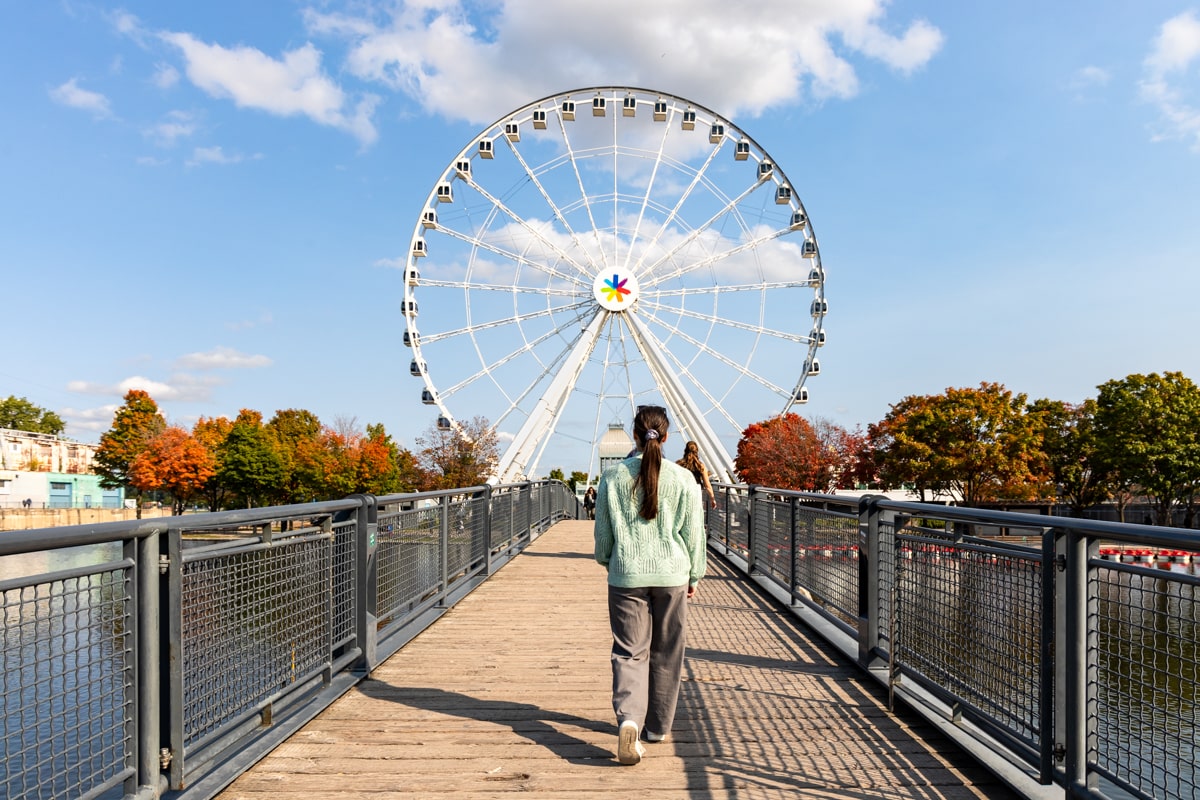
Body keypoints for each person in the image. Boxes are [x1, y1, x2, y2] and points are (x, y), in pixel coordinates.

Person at [593, 405, 706, 765]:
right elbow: (694, 534)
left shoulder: (612, 479)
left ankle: (629, 719)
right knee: (668, 650)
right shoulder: (684, 479)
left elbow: (603, 537)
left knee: (629, 652)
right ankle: (656, 727)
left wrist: (610, 561)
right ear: (666, 436)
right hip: (672, 575)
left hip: (627, 575)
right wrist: (695, 574)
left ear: (635, 437)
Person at [677, 440, 718, 509]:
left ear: (685, 450)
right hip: (696, 494)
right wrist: (712, 499)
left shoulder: (679, 464)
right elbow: (707, 485)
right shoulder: (700, 466)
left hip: (682, 494)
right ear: (696, 451)